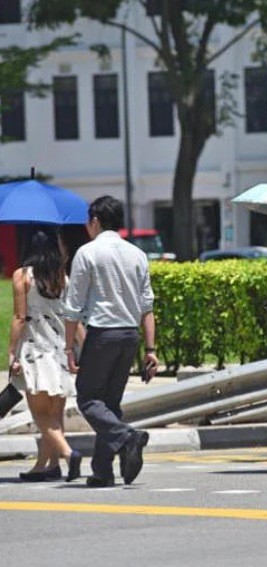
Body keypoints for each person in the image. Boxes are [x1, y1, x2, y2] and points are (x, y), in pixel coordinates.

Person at [64, 196, 158, 488]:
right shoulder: (137, 254)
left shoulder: (87, 252)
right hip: (129, 335)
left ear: (95, 221)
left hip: (103, 333)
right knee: (110, 403)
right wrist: (151, 349)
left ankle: (128, 437)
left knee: (88, 397)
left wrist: (69, 348)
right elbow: (147, 307)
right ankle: (103, 470)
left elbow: (73, 307)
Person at [7, 228, 83, 482]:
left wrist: (11, 353)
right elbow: (73, 317)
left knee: (40, 416)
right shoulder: (63, 277)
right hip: (60, 351)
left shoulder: (22, 276)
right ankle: (47, 466)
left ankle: (69, 454)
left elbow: (19, 317)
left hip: (34, 352)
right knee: (54, 415)